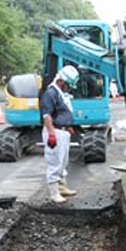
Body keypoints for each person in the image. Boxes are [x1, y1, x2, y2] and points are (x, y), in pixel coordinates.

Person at [40, 65, 79, 204]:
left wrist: (68, 126)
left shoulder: (60, 93)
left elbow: (63, 111)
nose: (69, 88)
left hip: (63, 131)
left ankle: (62, 187)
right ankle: (54, 192)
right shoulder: (50, 93)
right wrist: (51, 134)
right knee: (54, 162)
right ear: (61, 81)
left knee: (63, 161)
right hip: (54, 131)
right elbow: (47, 116)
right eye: (68, 85)